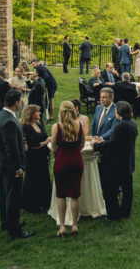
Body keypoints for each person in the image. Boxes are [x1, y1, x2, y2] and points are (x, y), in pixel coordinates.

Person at [0, 88, 34, 240]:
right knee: (13, 197)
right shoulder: (9, 120)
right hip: (10, 166)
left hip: (1, 163)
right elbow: (11, 149)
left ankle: (7, 222)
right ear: (16, 103)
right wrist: (18, 168)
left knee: (4, 195)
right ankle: (14, 231)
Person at [93, 100, 137, 220]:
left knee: (110, 191)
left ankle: (113, 215)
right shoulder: (132, 123)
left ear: (119, 112)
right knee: (128, 190)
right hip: (128, 161)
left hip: (117, 164)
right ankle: (125, 213)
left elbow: (113, 143)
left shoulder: (121, 126)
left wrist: (97, 145)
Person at [51, 101, 84, 236]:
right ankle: (75, 225)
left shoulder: (56, 126)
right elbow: (82, 145)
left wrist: (58, 154)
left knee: (61, 194)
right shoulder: (79, 125)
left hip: (61, 161)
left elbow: (53, 147)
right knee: (75, 194)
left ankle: (63, 226)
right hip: (76, 160)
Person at [19, 100, 51, 213]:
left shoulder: (39, 124)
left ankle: (45, 202)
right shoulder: (25, 127)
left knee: (44, 178)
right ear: (31, 114)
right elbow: (32, 145)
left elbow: (45, 136)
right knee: (33, 179)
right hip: (32, 158)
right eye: (37, 112)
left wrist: (46, 141)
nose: (39, 114)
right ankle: (32, 204)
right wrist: (45, 142)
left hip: (42, 156)